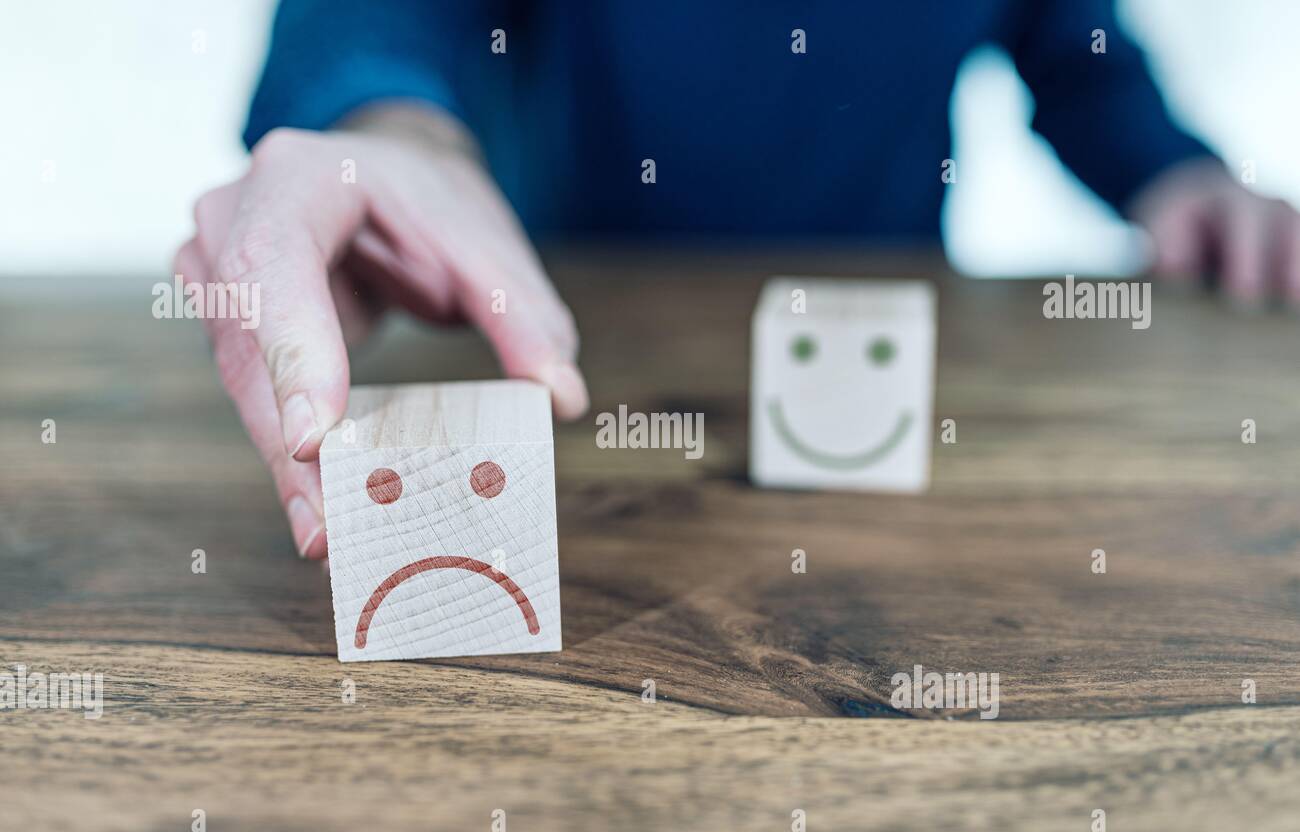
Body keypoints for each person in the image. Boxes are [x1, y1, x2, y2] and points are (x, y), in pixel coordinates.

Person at [175, 0, 1300, 559]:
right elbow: (372, 20)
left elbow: (1070, 45)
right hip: (570, 357)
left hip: (920, 398)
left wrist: (1174, 170)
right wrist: (391, 126)